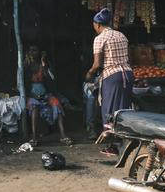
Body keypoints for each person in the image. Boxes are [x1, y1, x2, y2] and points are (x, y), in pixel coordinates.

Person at [85, 8, 134, 156]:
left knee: (109, 110)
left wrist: (89, 73)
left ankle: (113, 145)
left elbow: (97, 64)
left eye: (94, 24)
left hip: (112, 77)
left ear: (98, 24)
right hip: (127, 74)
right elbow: (129, 58)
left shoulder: (100, 38)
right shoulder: (121, 35)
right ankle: (122, 143)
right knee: (123, 109)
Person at [24, 44, 73, 146]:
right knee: (34, 107)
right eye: (31, 51)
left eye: (35, 50)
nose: (33, 53)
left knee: (57, 104)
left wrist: (44, 64)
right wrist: (32, 95)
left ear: (40, 52)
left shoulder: (45, 65)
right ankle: (33, 137)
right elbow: (24, 83)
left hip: (45, 94)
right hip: (32, 95)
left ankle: (63, 136)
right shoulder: (26, 65)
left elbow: (51, 79)